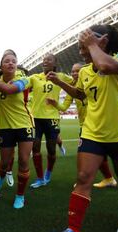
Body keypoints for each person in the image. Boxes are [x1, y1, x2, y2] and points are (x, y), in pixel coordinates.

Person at [48, 25, 118, 232]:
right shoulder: (84, 71)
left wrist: (91, 46)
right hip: (93, 133)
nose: (81, 48)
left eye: (86, 42)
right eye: (81, 44)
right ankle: (73, 231)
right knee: (83, 177)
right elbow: (81, 94)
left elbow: (105, 65)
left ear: (104, 40)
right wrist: (61, 83)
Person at [0, 50, 34, 209]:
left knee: (23, 161)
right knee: (4, 163)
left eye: (13, 61)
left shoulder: (23, 79)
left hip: (25, 125)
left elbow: (8, 90)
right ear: (1, 66)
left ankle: (20, 196)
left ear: (16, 65)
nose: (11, 63)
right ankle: (2, 177)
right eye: (7, 61)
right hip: (6, 127)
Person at [47, 63, 118, 188]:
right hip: (85, 126)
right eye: (73, 71)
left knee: (89, 153)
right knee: (91, 154)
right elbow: (64, 107)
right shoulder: (72, 89)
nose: (75, 73)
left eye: (78, 71)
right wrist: (55, 104)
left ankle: (90, 180)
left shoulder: (92, 82)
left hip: (99, 123)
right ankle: (108, 178)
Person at [28, 54, 74, 188]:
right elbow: (23, 83)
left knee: (51, 149)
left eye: (49, 60)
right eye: (44, 60)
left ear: (55, 63)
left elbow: (76, 85)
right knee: (35, 147)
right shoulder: (34, 77)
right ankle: (40, 178)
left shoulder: (62, 77)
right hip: (36, 118)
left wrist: (63, 104)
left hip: (52, 118)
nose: (45, 61)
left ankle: (48, 172)